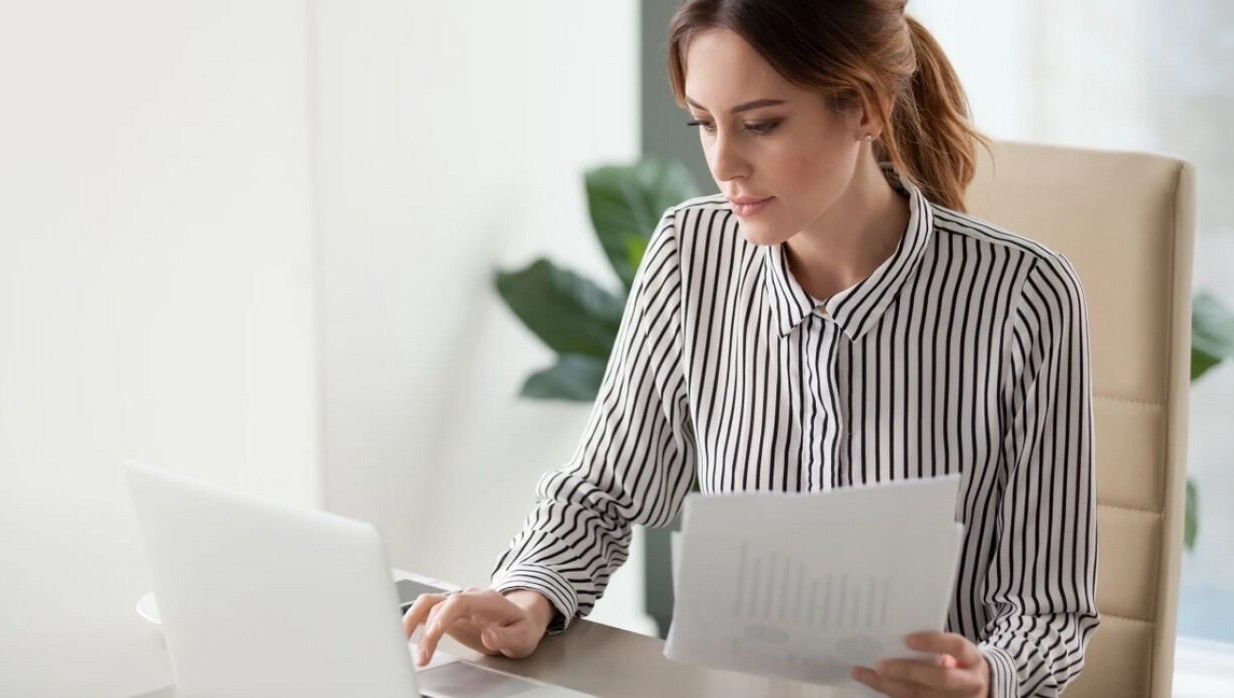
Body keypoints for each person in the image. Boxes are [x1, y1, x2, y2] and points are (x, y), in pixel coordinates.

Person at [405, 1, 1099, 696]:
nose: (722, 162)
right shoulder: (689, 252)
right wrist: (529, 595)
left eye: (761, 125)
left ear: (864, 108)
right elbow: (602, 493)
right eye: (704, 122)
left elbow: (1048, 612)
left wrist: (987, 678)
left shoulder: (1025, 296)